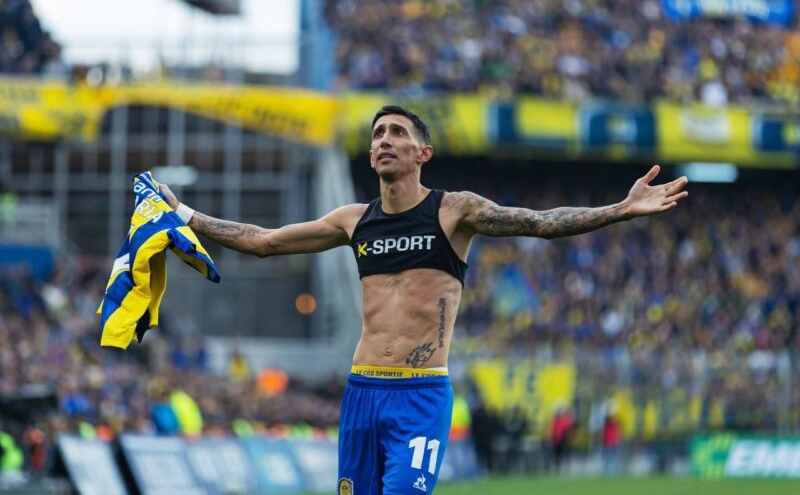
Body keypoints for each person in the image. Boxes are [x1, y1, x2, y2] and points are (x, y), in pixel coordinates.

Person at [159, 104, 688, 494]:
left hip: (420, 395)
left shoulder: (454, 211)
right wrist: (184, 215)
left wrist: (620, 209)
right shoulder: (352, 220)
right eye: (377, 134)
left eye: (397, 132)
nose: (384, 140)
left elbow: (542, 223)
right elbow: (265, 241)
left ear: (422, 153)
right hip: (362, 391)